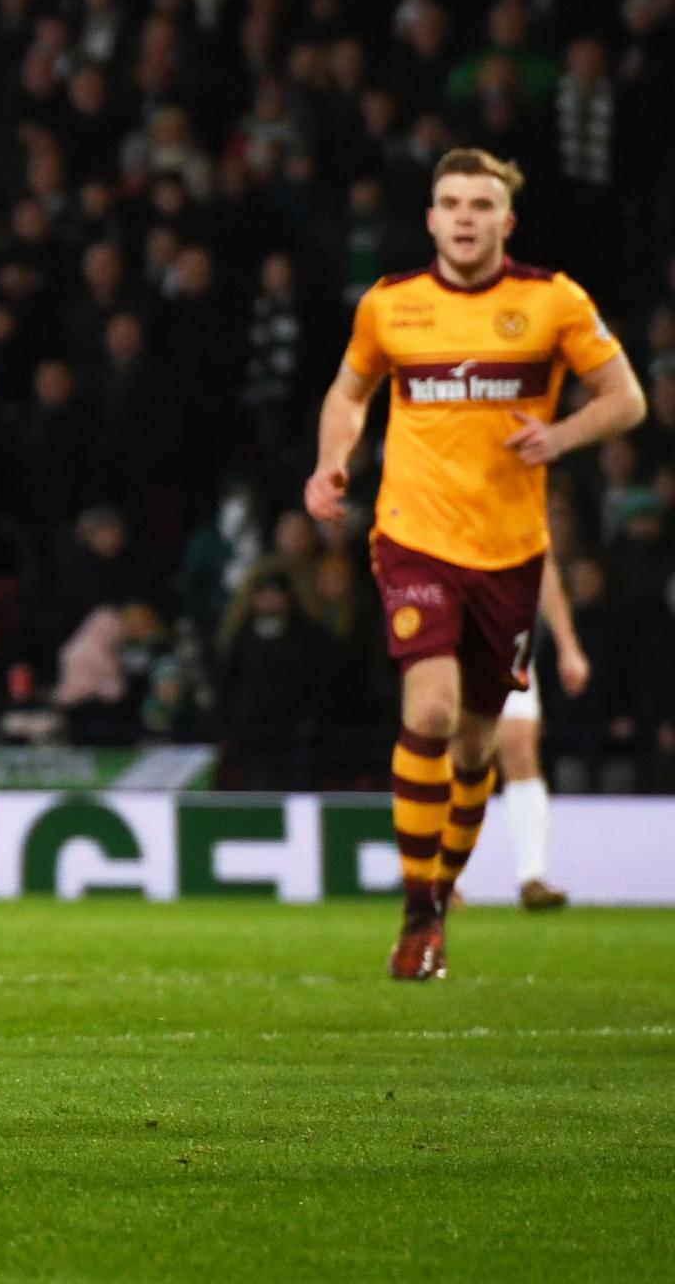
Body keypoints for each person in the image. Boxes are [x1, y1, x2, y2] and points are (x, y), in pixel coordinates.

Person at [305, 147, 645, 981]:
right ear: (429, 217)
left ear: (505, 220)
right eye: (450, 202)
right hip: (413, 535)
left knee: (473, 750)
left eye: (479, 204)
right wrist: (330, 462)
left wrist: (559, 437)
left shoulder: (552, 301)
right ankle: (418, 912)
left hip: (511, 554)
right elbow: (349, 393)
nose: (463, 217)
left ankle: (441, 897)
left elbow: (626, 398)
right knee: (428, 711)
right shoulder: (392, 306)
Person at [493, 551, 590, 910]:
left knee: (519, 746)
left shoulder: (522, 502)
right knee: (460, 750)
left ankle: (532, 876)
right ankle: (444, 878)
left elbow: (542, 568)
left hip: (508, 640)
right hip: (454, 633)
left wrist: (568, 645)